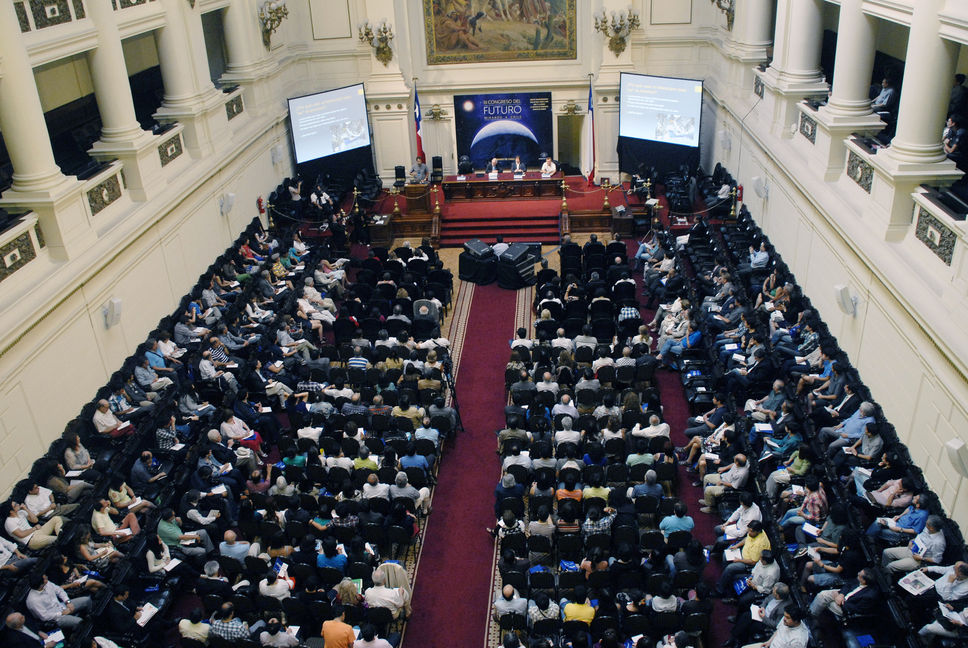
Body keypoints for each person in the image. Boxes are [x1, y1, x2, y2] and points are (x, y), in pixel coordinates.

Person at [25, 572, 91, 631]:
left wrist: (67, 602)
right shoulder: (33, 600)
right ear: (41, 584)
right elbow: (45, 617)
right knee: (80, 622)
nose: (47, 579)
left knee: (87, 600)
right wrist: (62, 613)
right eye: (45, 579)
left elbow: (59, 590)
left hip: (62, 606)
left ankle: (89, 616)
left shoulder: (47, 583)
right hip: (56, 618)